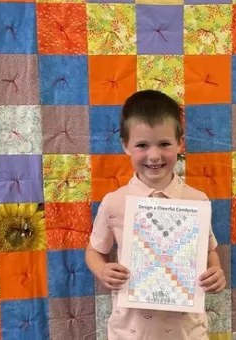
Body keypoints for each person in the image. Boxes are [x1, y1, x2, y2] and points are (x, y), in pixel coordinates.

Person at [85, 89, 226, 339]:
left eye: (164, 144)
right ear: (125, 146)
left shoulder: (198, 201)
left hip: (187, 332)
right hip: (129, 333)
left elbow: (208, 251)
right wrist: (102, 270)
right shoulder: (114, 203)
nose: (154, 155)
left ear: (180, 143)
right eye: (142, 145)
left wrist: (215, 271)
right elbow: (94, 250)